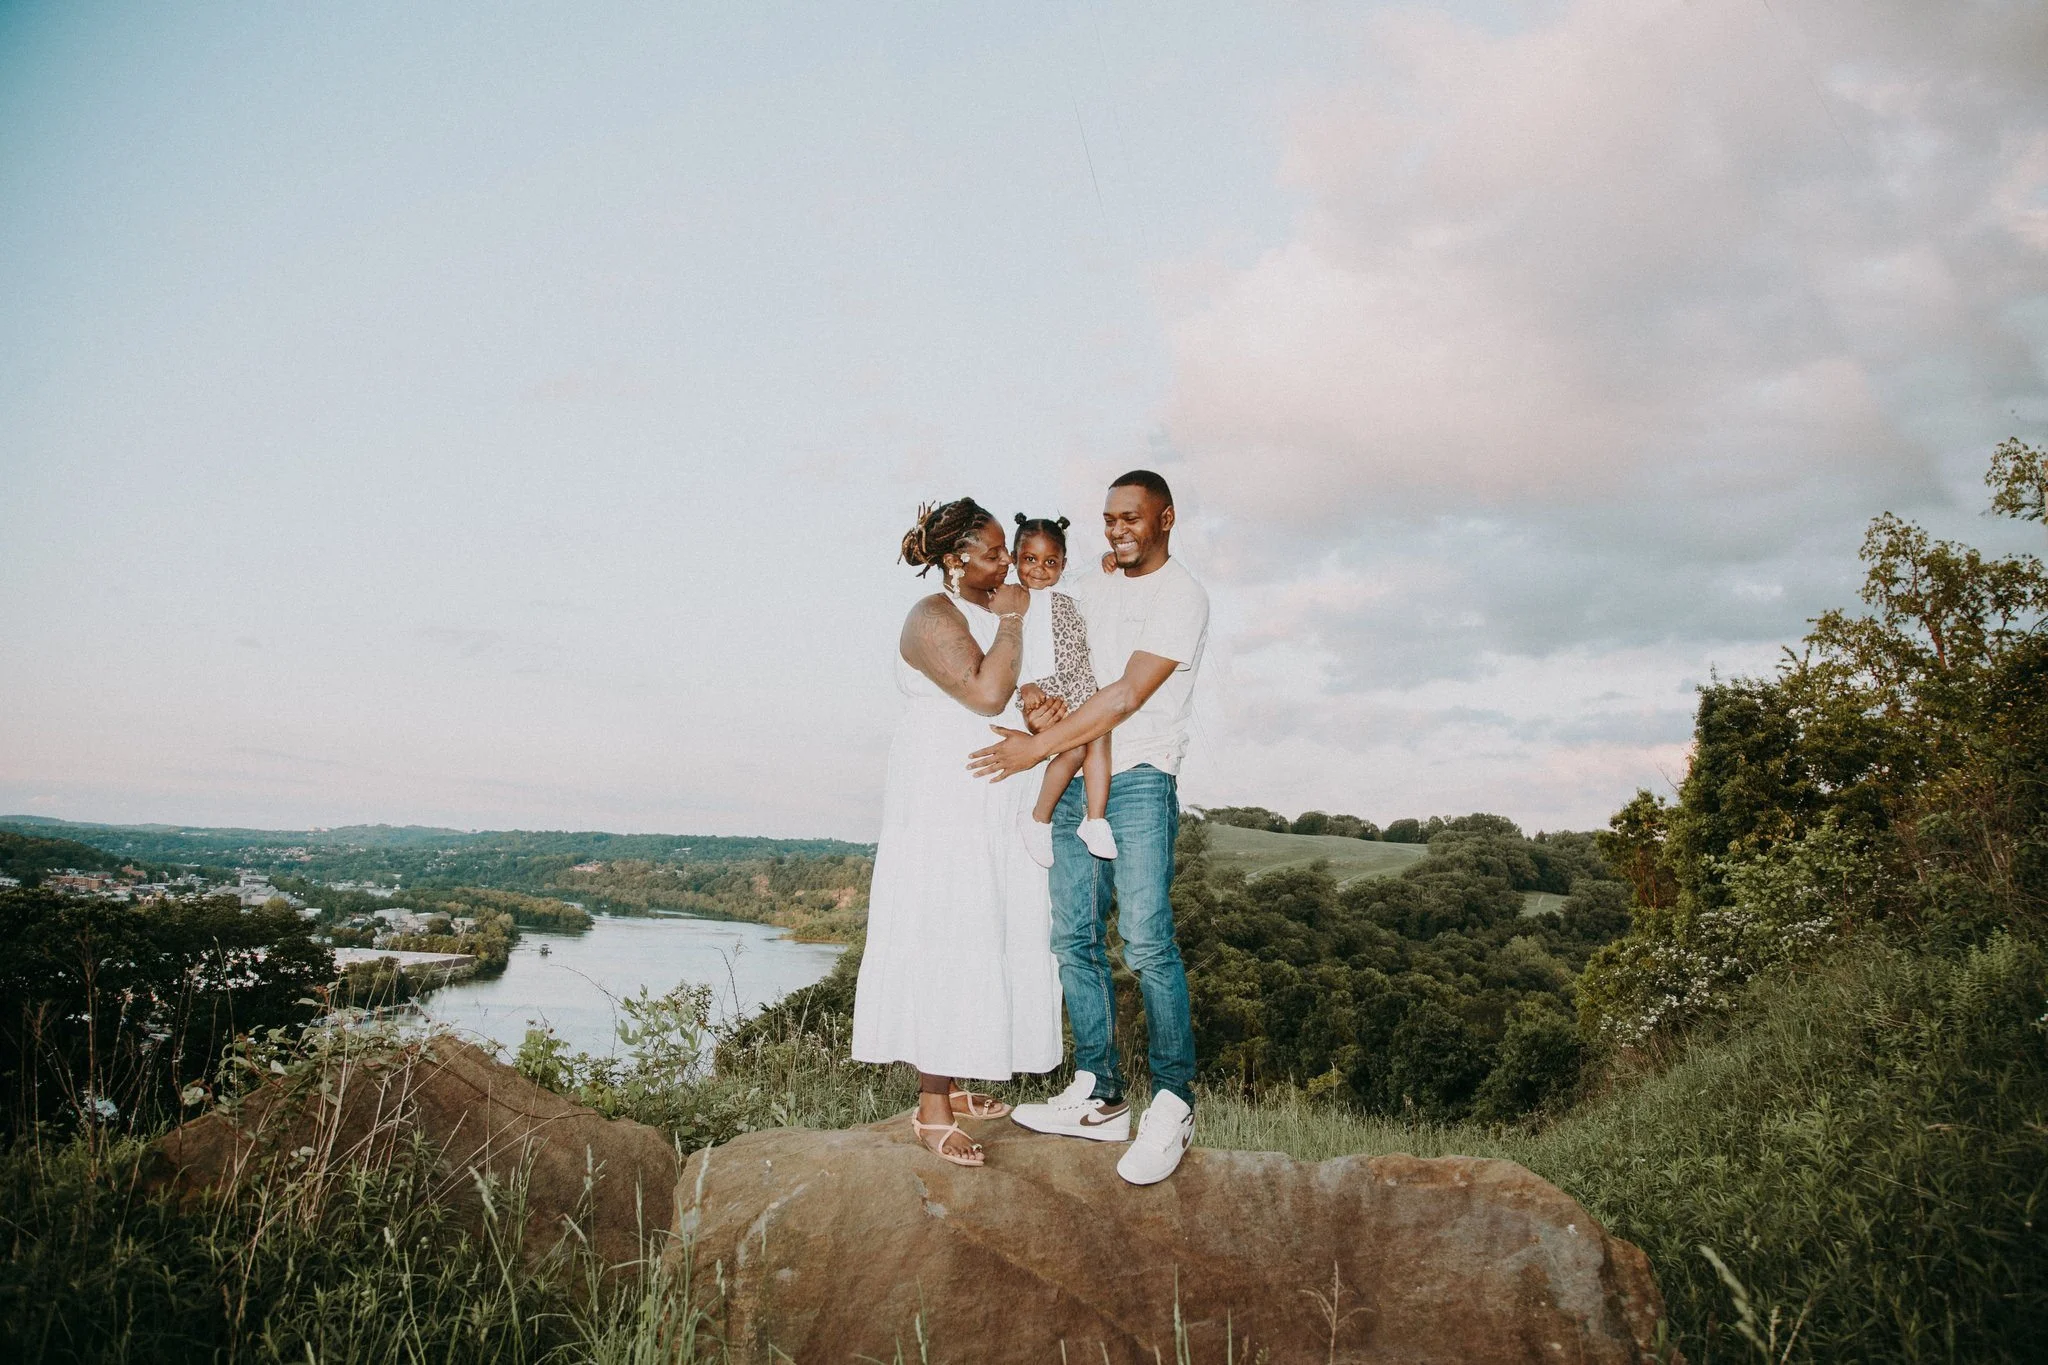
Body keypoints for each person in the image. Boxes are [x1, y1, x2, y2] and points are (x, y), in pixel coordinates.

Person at [969, 470, 1209, 1186]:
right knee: (1071, 937)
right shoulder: (1096, 583)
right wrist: (1037, 703)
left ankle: (1173, 1100)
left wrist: (1032, 746)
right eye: (1108, 519)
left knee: (1144, 938)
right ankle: (1100, 1093)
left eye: (1131, 517)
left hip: (1137, 780)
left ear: (1165, 518)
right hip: (1072, 780)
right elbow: (1059, 653)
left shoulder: (1182, 596)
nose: (1117, 530)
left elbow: (1125, 693)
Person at [850, 498, 1063, 1168]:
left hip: (994, 799)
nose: (1010, 565)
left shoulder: (993, 613)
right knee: (946, 926)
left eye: (1008, 552)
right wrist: (1010, 622)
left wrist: (1044, 714)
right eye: (996, 552)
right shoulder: (931, 617)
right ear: (953, 559)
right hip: (942, 801)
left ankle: (957, 1077)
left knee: (986, 931)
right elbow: (985, 692)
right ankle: (931, 1106)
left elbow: (1018, 700)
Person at [1010, 513, 1118, 868]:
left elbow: (1088, 570)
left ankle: (1096, 819)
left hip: (1080, 682)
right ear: (1014, 558)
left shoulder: (1066, 585)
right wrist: (1024, 683)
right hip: (1045, 689)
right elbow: (1007, 648)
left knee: (1101, 733)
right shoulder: (1012, 599)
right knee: (1071, 752)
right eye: (1030, 559)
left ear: (1062, 564)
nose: (1040, 570)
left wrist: (1105, 559)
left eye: (1050, 562)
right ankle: (1039, 818)